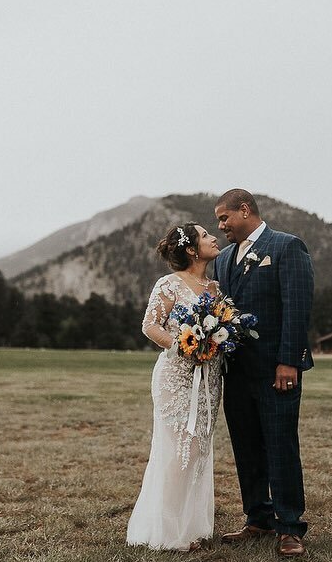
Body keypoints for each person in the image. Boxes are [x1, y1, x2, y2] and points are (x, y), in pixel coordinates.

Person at [212, 189, 315, 558]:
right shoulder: (223, 260)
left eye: (224, 218)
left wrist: (289, 360)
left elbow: (298, 306)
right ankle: (257, 518)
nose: (220, 226)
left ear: (245, 210)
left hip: (277, 370)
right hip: (235, 372)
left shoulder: (287, 247)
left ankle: (289, 527)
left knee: (280, 446)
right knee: (246, 447)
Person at [126, 222, 224, 551]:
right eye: (206, 235)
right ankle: (168, 532)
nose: (214, 237)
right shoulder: (169, 285)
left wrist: (216, 344)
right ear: (193, 250)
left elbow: (223, 329)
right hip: (176, 377)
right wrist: (183, 346)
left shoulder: (215, 288)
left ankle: (189, 527)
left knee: (198, 450)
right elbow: (150, 326)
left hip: (209, 378)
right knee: (179, 449)